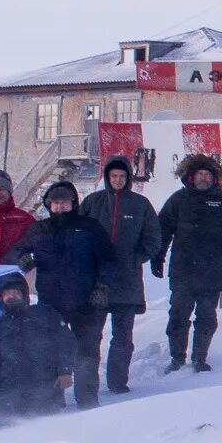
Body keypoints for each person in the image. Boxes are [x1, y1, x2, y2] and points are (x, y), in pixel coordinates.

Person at [10, 181, 113, 409]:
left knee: (86, 352)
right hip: (51, 301)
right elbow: (18, 249)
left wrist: (102, 287)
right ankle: (53, 400)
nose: (59, 207)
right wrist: (24, 260)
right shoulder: (39, 229)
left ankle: (87, 400)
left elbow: (108, 260)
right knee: (50, 350)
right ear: (48, 205)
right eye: (55, 203)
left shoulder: (90, 227)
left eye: (64, 202)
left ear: (73, 203)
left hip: (86, 301)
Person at [156, 155, 222, 373]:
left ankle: (200, 358)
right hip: (183, 271)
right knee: (178, 315)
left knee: (206, 317)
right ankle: (177, 358)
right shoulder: (178, 200)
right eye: (200, 174)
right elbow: (163, 230)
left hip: (213, 271)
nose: (204, 178)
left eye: (208, 174)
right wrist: (157, 257)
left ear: (214, 178)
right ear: (191, 176)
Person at [80, 156, 160, 394]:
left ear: (128, 179)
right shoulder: (93, 202)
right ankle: (87, 385)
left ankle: (117, 382)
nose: (117, 180)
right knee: (91, 337)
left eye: (122, 177)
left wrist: (136, 259)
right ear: (107, 177)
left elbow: (153, 237)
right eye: (113, 176)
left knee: (123, 337)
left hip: (127, 281)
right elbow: (78, 232)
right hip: (96, 283)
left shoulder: (140, 204)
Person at [0, 272, 75, 424]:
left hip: (45, 388)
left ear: (24, 294)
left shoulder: (46, 314)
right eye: (7, 293)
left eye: (15, 292)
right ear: (0, 298)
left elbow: (66, 342)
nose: (11, 296)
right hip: (9, 393)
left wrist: (65, 371)